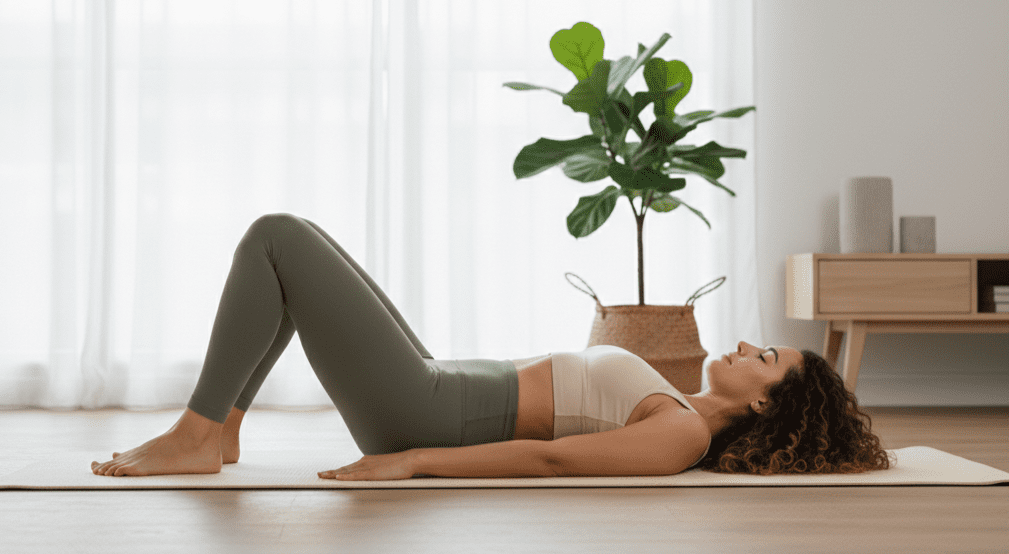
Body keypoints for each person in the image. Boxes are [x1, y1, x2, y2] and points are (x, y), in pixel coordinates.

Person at [91, 213, 891, 479]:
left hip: (430, 414)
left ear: (764, 402)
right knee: (303, 256)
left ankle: (198, 432)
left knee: (277, 238)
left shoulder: (683, 432)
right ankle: (222, 427)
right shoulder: (680, 407)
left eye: (768, 359)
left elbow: (551, 463)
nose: (750, 345)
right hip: (437, 382)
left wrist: (409, 460)